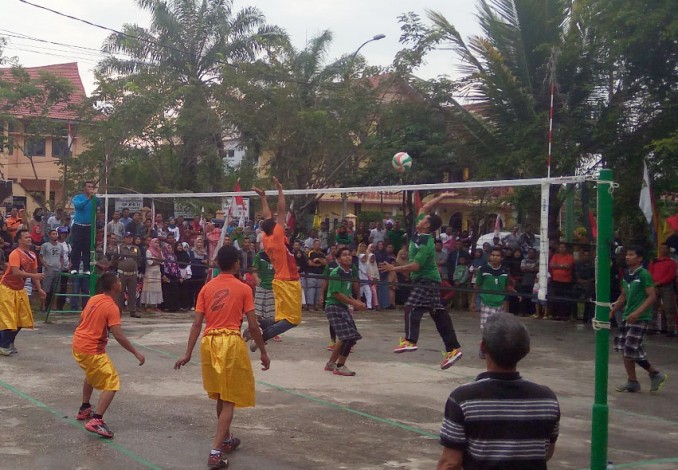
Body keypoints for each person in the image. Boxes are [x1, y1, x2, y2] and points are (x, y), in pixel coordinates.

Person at [174, 245, 270, 470]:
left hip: (209, 344)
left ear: (217, 263)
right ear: (237, 263)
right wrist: (264, 352)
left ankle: (226, 439)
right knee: (229, 399)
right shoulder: (244, 288)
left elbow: (197, 323)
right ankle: (215, 452)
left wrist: (188, 353)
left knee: (220, 395)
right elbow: (253, 325)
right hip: (230, 343)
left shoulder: (206, 288)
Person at [438, 313, 560, 470]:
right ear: (527, 350)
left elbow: (450, 463)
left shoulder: (463, 399)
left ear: (483, 347)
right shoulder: (547, 399)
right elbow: (546, 453)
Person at [379, 192, 463, 369]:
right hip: (426, 280)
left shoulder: (428, 243)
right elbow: (425, 207)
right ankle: (453, 349)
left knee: (411, 307)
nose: (420, 218)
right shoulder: (418, 231)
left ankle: (410, 340)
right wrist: (443, 196)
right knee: (439, 314)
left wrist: (394, 268)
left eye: (423, 219)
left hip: (427, 279)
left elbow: (416, 266)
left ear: (427, 226)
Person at [72, 272, 146, 438]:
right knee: (112, 382)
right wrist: (136, 353)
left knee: (91, 374)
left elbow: (80, 320)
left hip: (78, 344)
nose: (121, 283)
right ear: (114, 286)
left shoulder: (94, 298)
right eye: (119, 281)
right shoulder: (112, 307)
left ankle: (85, 408)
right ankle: (97, 420)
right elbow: (118, 335)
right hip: (91, 349)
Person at [250, 178, 302, 346]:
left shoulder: (266, 238)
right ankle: (262, 337)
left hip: (279, 281)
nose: (282, 223)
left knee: (281, 317)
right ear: (275, 227)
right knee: (293, 320)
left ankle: (259, 325)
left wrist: (263, 197)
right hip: (288, 282)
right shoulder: (278, 236)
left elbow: (268, 216)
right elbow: (281, 210)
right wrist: (280, 190)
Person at [611, 245, 668, 393]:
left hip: (640, 317)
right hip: (627, 316)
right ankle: (634, 380)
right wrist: (613, 311)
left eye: (631, 255)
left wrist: (637, 312)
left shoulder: (644, 274)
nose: (627, 257)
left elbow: (652, 296)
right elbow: (623, 295)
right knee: (627, 349)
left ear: (640, 258)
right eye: (627, 255)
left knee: (630, 348)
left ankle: (653, 374)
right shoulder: (627, 275)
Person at [0, 229, 45, 355]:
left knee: (23, 318)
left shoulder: (32, 255)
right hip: (7, 288)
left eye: (29, 237)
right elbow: (16, 272)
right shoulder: (15, 254)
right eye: (26, 237)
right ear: (19, 240)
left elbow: (35, 274)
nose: (29, 239)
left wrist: (40, 288)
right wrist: (34, 276)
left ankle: (9, 342)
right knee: (9, 318)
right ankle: (3, 345)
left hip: (19, 289)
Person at [323, 246, 367, 376]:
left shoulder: (349, 272)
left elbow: (346, 293)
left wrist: (356, 301)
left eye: (349, 255)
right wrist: (355, 303)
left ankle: (331, 363)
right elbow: (336, 294)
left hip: (342, 306)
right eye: (344, 255)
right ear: (338, 259)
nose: (348, 257)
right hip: (334, 306)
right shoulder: (336, 273)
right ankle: (340, 366)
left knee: (345, 338)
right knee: (349, 336)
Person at [471, 247, 514, 358]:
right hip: (486, 302)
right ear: (490, 256)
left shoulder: (505, 272)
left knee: (498, 329)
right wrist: (473, 301)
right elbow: (477, 286)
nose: (495, 257)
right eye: (493, 255)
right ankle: (484, 347)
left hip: (500, 303)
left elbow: (506, 288)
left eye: (498, 255)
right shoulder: (483, 270)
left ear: (502, 258)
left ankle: (493, 351)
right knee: (485, 328)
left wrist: (506, 306)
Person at [648, 243, 677, 336]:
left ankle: (670, 328)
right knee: (653, 307)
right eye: (661, 248)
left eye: (665, 248)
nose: (663, 250)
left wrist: (660, 282)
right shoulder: (654, 261)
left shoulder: (672, 262)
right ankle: (652, 327)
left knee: (669, 307)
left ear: (668, 250)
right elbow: (650, 272)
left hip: (667, 286)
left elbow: (671, 275)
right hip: (654, 286)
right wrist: (653, 284)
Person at [111, 232, 142, 318]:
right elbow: (114, 260)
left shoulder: (136, 248)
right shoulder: (119, 248)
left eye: (131, 237)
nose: (129, 239)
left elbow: (139, 260)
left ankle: (133, 311)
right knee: (120, 293)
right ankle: (118, 311)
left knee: (132, 293)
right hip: (122, 274)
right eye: (127, 237)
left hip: (133, 274)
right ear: (124, 238)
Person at [71, 181, 97, 275]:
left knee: (87, 248)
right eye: (88, 186)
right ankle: (75, 267)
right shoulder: (78, 197)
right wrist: (88, 199)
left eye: (92, 187)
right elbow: (78, 206)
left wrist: (94, 197)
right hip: (79, 226)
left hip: (89, 227)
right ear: (84, 188)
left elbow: (99, 203)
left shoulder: (93, 198)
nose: (90, 188)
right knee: (77, 247)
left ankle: (87, 268)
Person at [39, 228, 64, 311]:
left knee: (56, 289)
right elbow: (40, 257)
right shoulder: (45, 245)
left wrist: (61, 266)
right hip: (48, 269)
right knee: (46, 289)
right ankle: (43, 306)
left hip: (57, 269)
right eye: (53, 234)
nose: (55, 235)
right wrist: (45, 265)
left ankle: (54, 306)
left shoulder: (60, 246)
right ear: (49, 235)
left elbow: (62, 257)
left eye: (56, 234)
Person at [141, 238, 163, 311]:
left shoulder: (159, 251)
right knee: (149, 288)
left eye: (158, 242)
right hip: (150, 272)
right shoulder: (148, 251)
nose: (157, 244)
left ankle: (155, 306)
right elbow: (150, 262)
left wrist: (159, 253)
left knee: (156, 289)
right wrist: (158, 261)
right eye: (155, 242)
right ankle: (148, 305)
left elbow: (162, 261)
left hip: (157, 272)